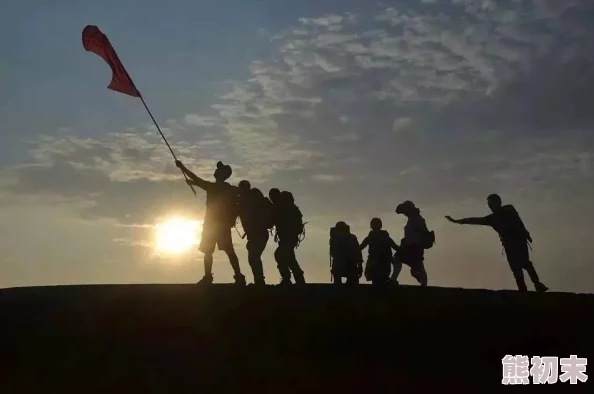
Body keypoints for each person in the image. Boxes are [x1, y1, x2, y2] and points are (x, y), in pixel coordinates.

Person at [445, 193, 548, 292]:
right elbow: (474, 220)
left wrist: (526, 234)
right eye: (489, 205)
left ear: (498, 202)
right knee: (516, 268)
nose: (491, 207)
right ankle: (523, 289)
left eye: (492, 204)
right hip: (509, 245)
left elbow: (519, 222)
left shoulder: (508, 210)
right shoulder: (492, 218)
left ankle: (537, 284)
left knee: (526, 264)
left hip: (519, 242)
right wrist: (456, 221)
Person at [176, 160, 246, 286]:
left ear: (221, 174)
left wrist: (183, 167)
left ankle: (209, 277)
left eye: (218, 170)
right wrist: (194, 182)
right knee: (228, 251)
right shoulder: (229, 189)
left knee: (210, 251)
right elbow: (198, 181)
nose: (215, 170)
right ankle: (238, 276)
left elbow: (197, 179)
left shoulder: (214, 187)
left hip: (212, 225)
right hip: (220, 225)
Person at [238, 181, 272, 286]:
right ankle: (259, 280)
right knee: (253, 257)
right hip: (256, 234)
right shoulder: (249, 198)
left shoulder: (250, 198)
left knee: (253, 257)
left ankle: (260, 281)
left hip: (258, 233)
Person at [393, 201, 432, 287]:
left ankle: (424, 285)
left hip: (415, 247)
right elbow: (398, 210)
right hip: (410, 246)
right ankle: (394, 279)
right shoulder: (413, 218)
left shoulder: (417, 219)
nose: (404, 213)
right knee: (400, 259)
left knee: (417, 266)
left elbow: (421, 233)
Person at [272, 190, 306, 285]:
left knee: (279, 255)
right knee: (290, 259)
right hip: (288, 238)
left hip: (288, 238)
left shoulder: (287, 209)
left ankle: (287, 279)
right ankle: (299, 280)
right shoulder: (289, 209)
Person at [360, 218, 399, 286]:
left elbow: (360, 247)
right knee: (380, 282)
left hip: (376, 263)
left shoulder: (371, 237)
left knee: (377, 282)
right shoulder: (384, 237)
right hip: (382, 263)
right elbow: (395, 247)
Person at [330, 221, 363, 285]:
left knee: (337, 284)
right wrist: (360, 267)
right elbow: (358, 252)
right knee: (352, 287)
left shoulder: (335, 238)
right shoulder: (353, 237)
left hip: (339, 265)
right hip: (351, 265)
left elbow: (333, 253)